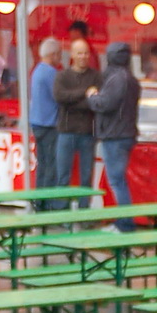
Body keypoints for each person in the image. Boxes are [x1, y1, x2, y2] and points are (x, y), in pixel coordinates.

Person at [87, 41, 142, 234]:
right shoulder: (131, 79)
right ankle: (123, 221)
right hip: (125, 133)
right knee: (118, 180)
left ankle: (125, 223)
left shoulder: (116, 79)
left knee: (117, 181)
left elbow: (105, 103)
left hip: (115, 135)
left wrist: (92, 96)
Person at [52, 36, 101, 208]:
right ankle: (61, 214)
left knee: (86, 177)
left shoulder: (96, 76)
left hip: (88, 132)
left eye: (86, 53)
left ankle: (84, 213)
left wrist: (74, 99)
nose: (83, 56)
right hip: (66, 131)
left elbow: (96, 103)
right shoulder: (62, 76)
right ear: (72, 54)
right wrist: (85, 93)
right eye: (80, 53)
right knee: (63, 176)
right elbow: (60, 97)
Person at [29, 36, 62, 191]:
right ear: (53, 54)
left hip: (37, 122)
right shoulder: (51, 73)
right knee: (51, 165)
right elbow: (59, 96)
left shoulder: (37, 70)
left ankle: (39, 200)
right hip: (49, 124)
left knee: (42, 163)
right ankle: (47, 201)